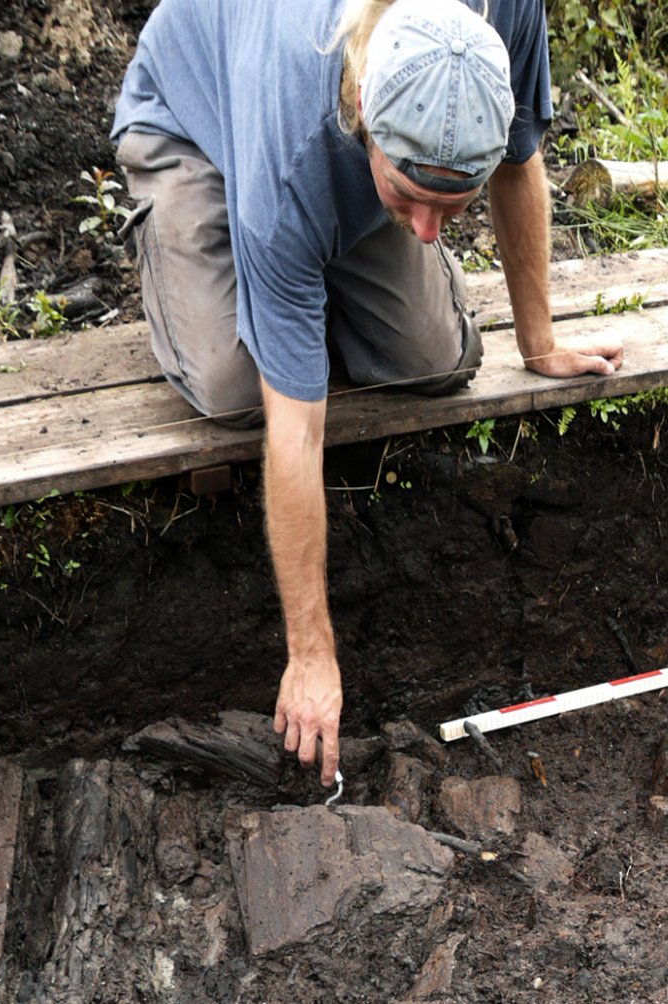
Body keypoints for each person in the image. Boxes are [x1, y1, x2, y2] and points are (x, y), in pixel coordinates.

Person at [111, 0, 624, 786]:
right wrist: (311, 656)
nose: (426, 230)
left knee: (434, 356)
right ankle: (231, 268)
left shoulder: (506, 13)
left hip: (334, 162)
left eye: (450, 205)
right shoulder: (287, 139)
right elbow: (295, 434)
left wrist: (540, 341)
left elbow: (520, 161)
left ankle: (315, 273)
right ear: (363, 109)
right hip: (195, 123)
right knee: (233, 387)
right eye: (410, 195)